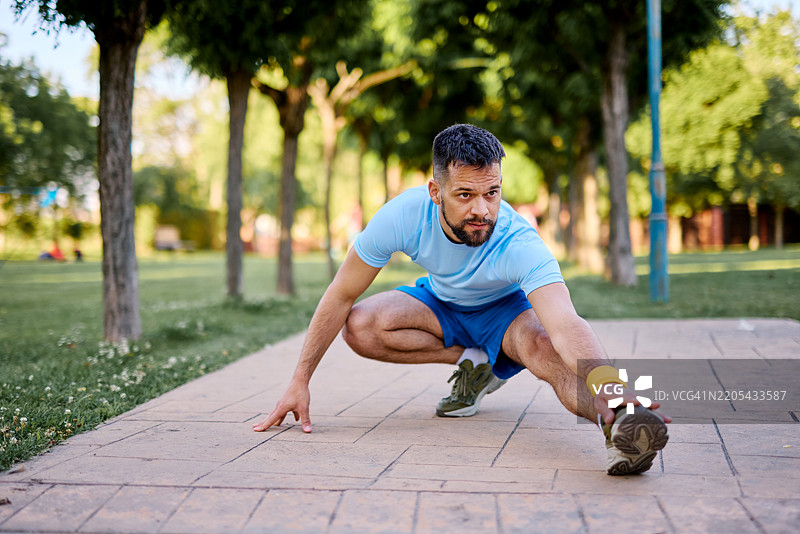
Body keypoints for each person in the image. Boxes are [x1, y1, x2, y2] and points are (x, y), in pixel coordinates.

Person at [254, 124, 670, 475]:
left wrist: (610, 385)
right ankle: (476, 361)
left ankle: (622, 425)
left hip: (506, 314)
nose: (482, 210)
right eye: (465, 195)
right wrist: (300, 379)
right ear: (435, 191)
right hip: (441, 303)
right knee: (361, 325)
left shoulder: (519, 241)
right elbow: (341, 294)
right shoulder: (401, 216)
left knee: (546, 349)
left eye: (492, 192)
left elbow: (565, 323)